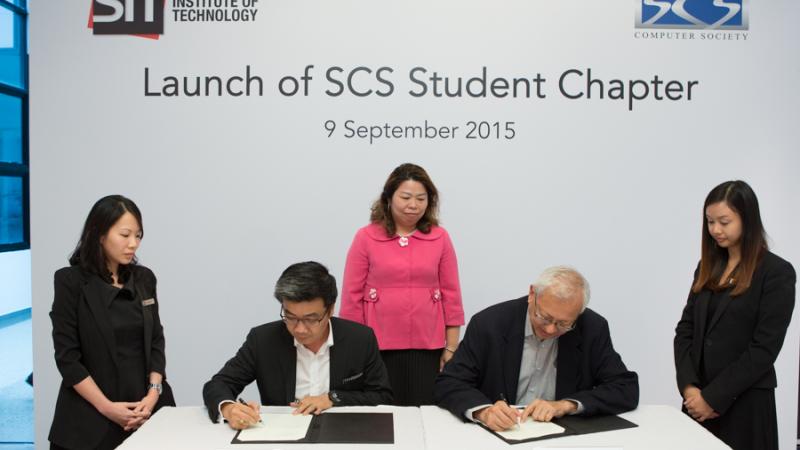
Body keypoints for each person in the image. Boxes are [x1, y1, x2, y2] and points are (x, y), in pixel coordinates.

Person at [435, 266, 639, 431]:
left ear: (578, 314)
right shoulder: (489, 324)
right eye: (544, 317)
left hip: (562, 437)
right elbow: (449, 382)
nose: (550, 329)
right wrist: (484, 412)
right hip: (499, 435)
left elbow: (625, 387)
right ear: (532, 294)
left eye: (563, 324)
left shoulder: (592, 328)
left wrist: (566, 405)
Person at [674, 180, 795, 450]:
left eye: (724, 222)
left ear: (747, 219)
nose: (715, 230)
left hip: (745, 404)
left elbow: (764, 349)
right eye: (710, 222)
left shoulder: (776, 273)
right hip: (698, 403)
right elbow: (685, 331)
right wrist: (689, 388)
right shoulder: (707, 267)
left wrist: (713, 398)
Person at [49, 195, 175, 450]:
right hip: (90, 418)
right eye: (125, 235)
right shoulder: (70, 282)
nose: (133, 244)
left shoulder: (144, 278)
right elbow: (67, 358)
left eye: (138, 236)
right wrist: (107, 408)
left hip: (146, 411)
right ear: (99, 234)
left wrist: (153, 393)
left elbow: (156, 340)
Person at [202, 261, 393, 429]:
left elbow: (382, 396)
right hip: (283, 434)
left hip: (344, 432)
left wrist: (332, 398)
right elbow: (218, 384)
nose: (300, 329)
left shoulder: (360, 339)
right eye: (290, 317)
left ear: (330, 310)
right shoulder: (262, 340)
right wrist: (229, 409)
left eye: (311, 319)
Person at [340, 163, 465, 406]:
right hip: (377, 347)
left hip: (428, 346)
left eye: (421, 198)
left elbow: (452, 295)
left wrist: (451, 347)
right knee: (383, 413)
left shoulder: (440, 237)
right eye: (406, 197)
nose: (413, 205)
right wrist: (354, 349)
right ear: (388, 198)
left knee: (425, 410)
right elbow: (351, 297)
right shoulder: (366, 237)